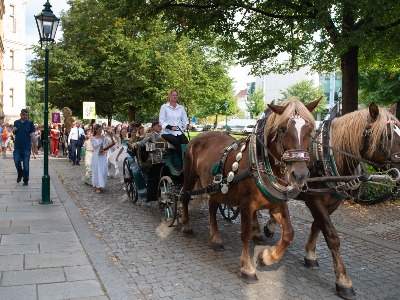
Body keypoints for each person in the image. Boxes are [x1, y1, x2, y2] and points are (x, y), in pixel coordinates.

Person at [159, 89, 192, 157]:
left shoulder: (181, 108)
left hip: (178, 131)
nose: (175, 96)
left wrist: (187, 125)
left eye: (176, 95)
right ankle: (183, 160)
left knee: (186, 142)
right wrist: (170, 127)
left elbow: (184, 120)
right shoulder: (164, 107)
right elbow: (161, 120)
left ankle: (189, 159)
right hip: (166, 132)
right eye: (173, 95)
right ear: (169, 96)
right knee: (176, 141)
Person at [12, 109, 38, 186]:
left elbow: (33, 135)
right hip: (17, 147)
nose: (25, 116)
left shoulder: (30, 124)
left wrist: (35, 147)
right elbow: (14, 132)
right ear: (21, 114)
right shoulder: (16, 122)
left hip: (26, 147)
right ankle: (20, 173)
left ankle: (25, 180)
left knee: (26, 164)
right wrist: (14, 130)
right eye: (24, 115)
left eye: (26, 115)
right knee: (16, 162)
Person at [91, 124, 115, 193]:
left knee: (103, 170)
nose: (100, 131)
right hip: (96, 156)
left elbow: (109, 144)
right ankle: (97, 186)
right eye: (99, 130)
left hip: (103, 155)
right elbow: (95, 146)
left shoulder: (104, 137)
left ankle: (101, 184)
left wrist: (111, 138)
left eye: (101, 130)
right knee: (97, 170)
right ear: (95, 130)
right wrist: (101, 139)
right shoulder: (93, 137)